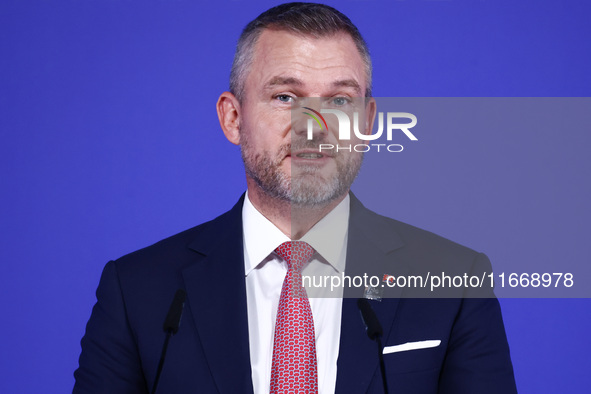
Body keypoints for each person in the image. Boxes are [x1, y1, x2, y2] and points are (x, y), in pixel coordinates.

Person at [74, 3, 517, 393]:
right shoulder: (137, 291)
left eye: (340, 100)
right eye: (285, 96)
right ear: (233, 118)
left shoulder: (454, 283)